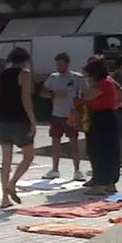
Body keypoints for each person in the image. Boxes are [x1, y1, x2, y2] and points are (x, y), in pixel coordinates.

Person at [0, 47, 36, 209]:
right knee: (29, 155)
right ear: (25, 60)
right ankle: (12, 183)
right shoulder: (24, 74)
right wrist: (32, 120)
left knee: (6, 161)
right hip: (19, 119)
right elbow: (25, 98)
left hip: (3, 120)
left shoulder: (2, 75)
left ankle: (4, 199)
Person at [82, 57, 122, 196]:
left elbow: (88, 96)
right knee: (110, 150)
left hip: (102, 117)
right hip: (108, 116)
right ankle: (110, 183)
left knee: (100, 150)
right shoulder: (109, 81)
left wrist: (85, 82)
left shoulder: (102, 83)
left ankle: (100, 183)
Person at [40, 53, 84, 181]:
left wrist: (79, 113)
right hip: (57, 114)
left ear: (67, 63)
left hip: (71, 114)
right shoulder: (53, 77)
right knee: (55, 142)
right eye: (57, 64)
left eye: (61, 64)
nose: (59, 66)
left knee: (73, 143)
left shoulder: (76, 78)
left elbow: (81, 96)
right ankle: (55, 169)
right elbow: (43, 92)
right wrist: (54, 94)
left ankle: (77, 170)